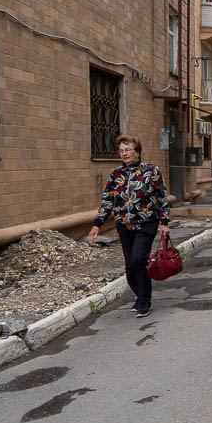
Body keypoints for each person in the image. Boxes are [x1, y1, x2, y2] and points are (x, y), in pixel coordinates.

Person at [87, 135, 170, 316]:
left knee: (138, 259)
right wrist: (97, 225)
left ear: (137, 152)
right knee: (130, 265)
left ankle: (144, 300)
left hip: (146, 223)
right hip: (124, 226)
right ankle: (139, 296)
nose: (124, 154)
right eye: (121, 150)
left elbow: (161, 197)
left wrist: (164, 222)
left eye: (128, 150)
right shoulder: (116, 175)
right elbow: (108, 200)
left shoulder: (151, 171)